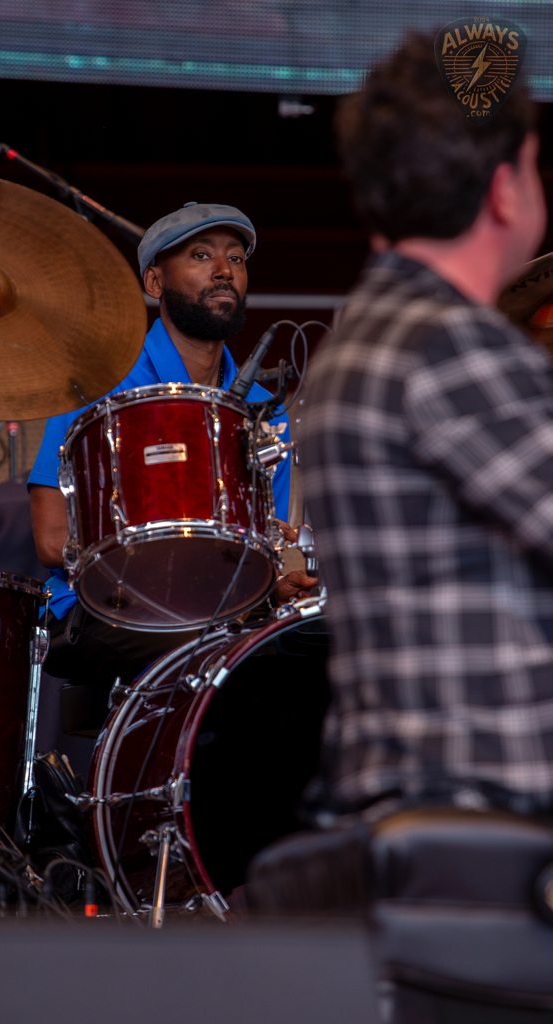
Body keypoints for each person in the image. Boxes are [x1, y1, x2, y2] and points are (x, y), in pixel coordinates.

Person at [300, 35, 551, 819]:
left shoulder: (369, 333)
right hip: (497, 797)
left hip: (419, 792)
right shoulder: (451, 345)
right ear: (505, 190)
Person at [29, 202, 316, 728]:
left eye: (236, 258)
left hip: (225, 612)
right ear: (155, 282)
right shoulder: (98, 383)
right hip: (108, 608)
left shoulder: (264, 411)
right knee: (227, 662)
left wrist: (277, 588)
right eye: (201, 255)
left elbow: (263, 553)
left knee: (320, 650)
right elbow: (51, 541)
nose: (224, 270)